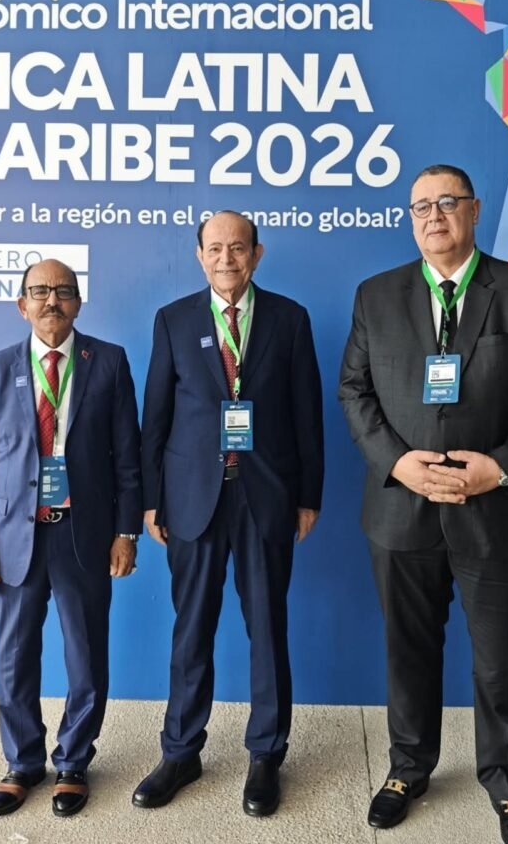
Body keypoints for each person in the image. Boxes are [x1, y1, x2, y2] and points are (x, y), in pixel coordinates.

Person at [339, 165, 508, 844]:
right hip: (400, 509)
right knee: (407, 650)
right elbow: (355, 391)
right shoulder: (376, 294)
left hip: (498, 509)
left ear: (473, 211)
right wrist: (398, 463)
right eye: (420, 206)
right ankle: (407, 769)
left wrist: (497, 469)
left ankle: (505, 782)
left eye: (447, 202)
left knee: (499, 659)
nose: (433, 215)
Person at [134, 210, 324, 818]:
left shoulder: (290, 319)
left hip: (266, 496)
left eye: (237, 248)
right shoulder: (173, 320)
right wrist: (151, 499)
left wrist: (309, 496)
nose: (226, 259)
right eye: (215, 248)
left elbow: (307, 415)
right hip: (192, 499)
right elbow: (155, 417)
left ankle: (266, 754)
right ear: (199, 256)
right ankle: (180, 751)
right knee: (191, 629)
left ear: (256, 254)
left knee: (267, 628)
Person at [0, 258, 142, 818]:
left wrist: (126, 531)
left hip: (82, 535)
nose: (51, 301)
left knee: (86, 655)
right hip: (14, 538)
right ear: (22, 305)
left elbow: (128, 458)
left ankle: (73, 762)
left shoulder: (108, 362)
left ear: (78, 303)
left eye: (63, 291)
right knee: (14, 658)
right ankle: (22, 763)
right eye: (39, 291)